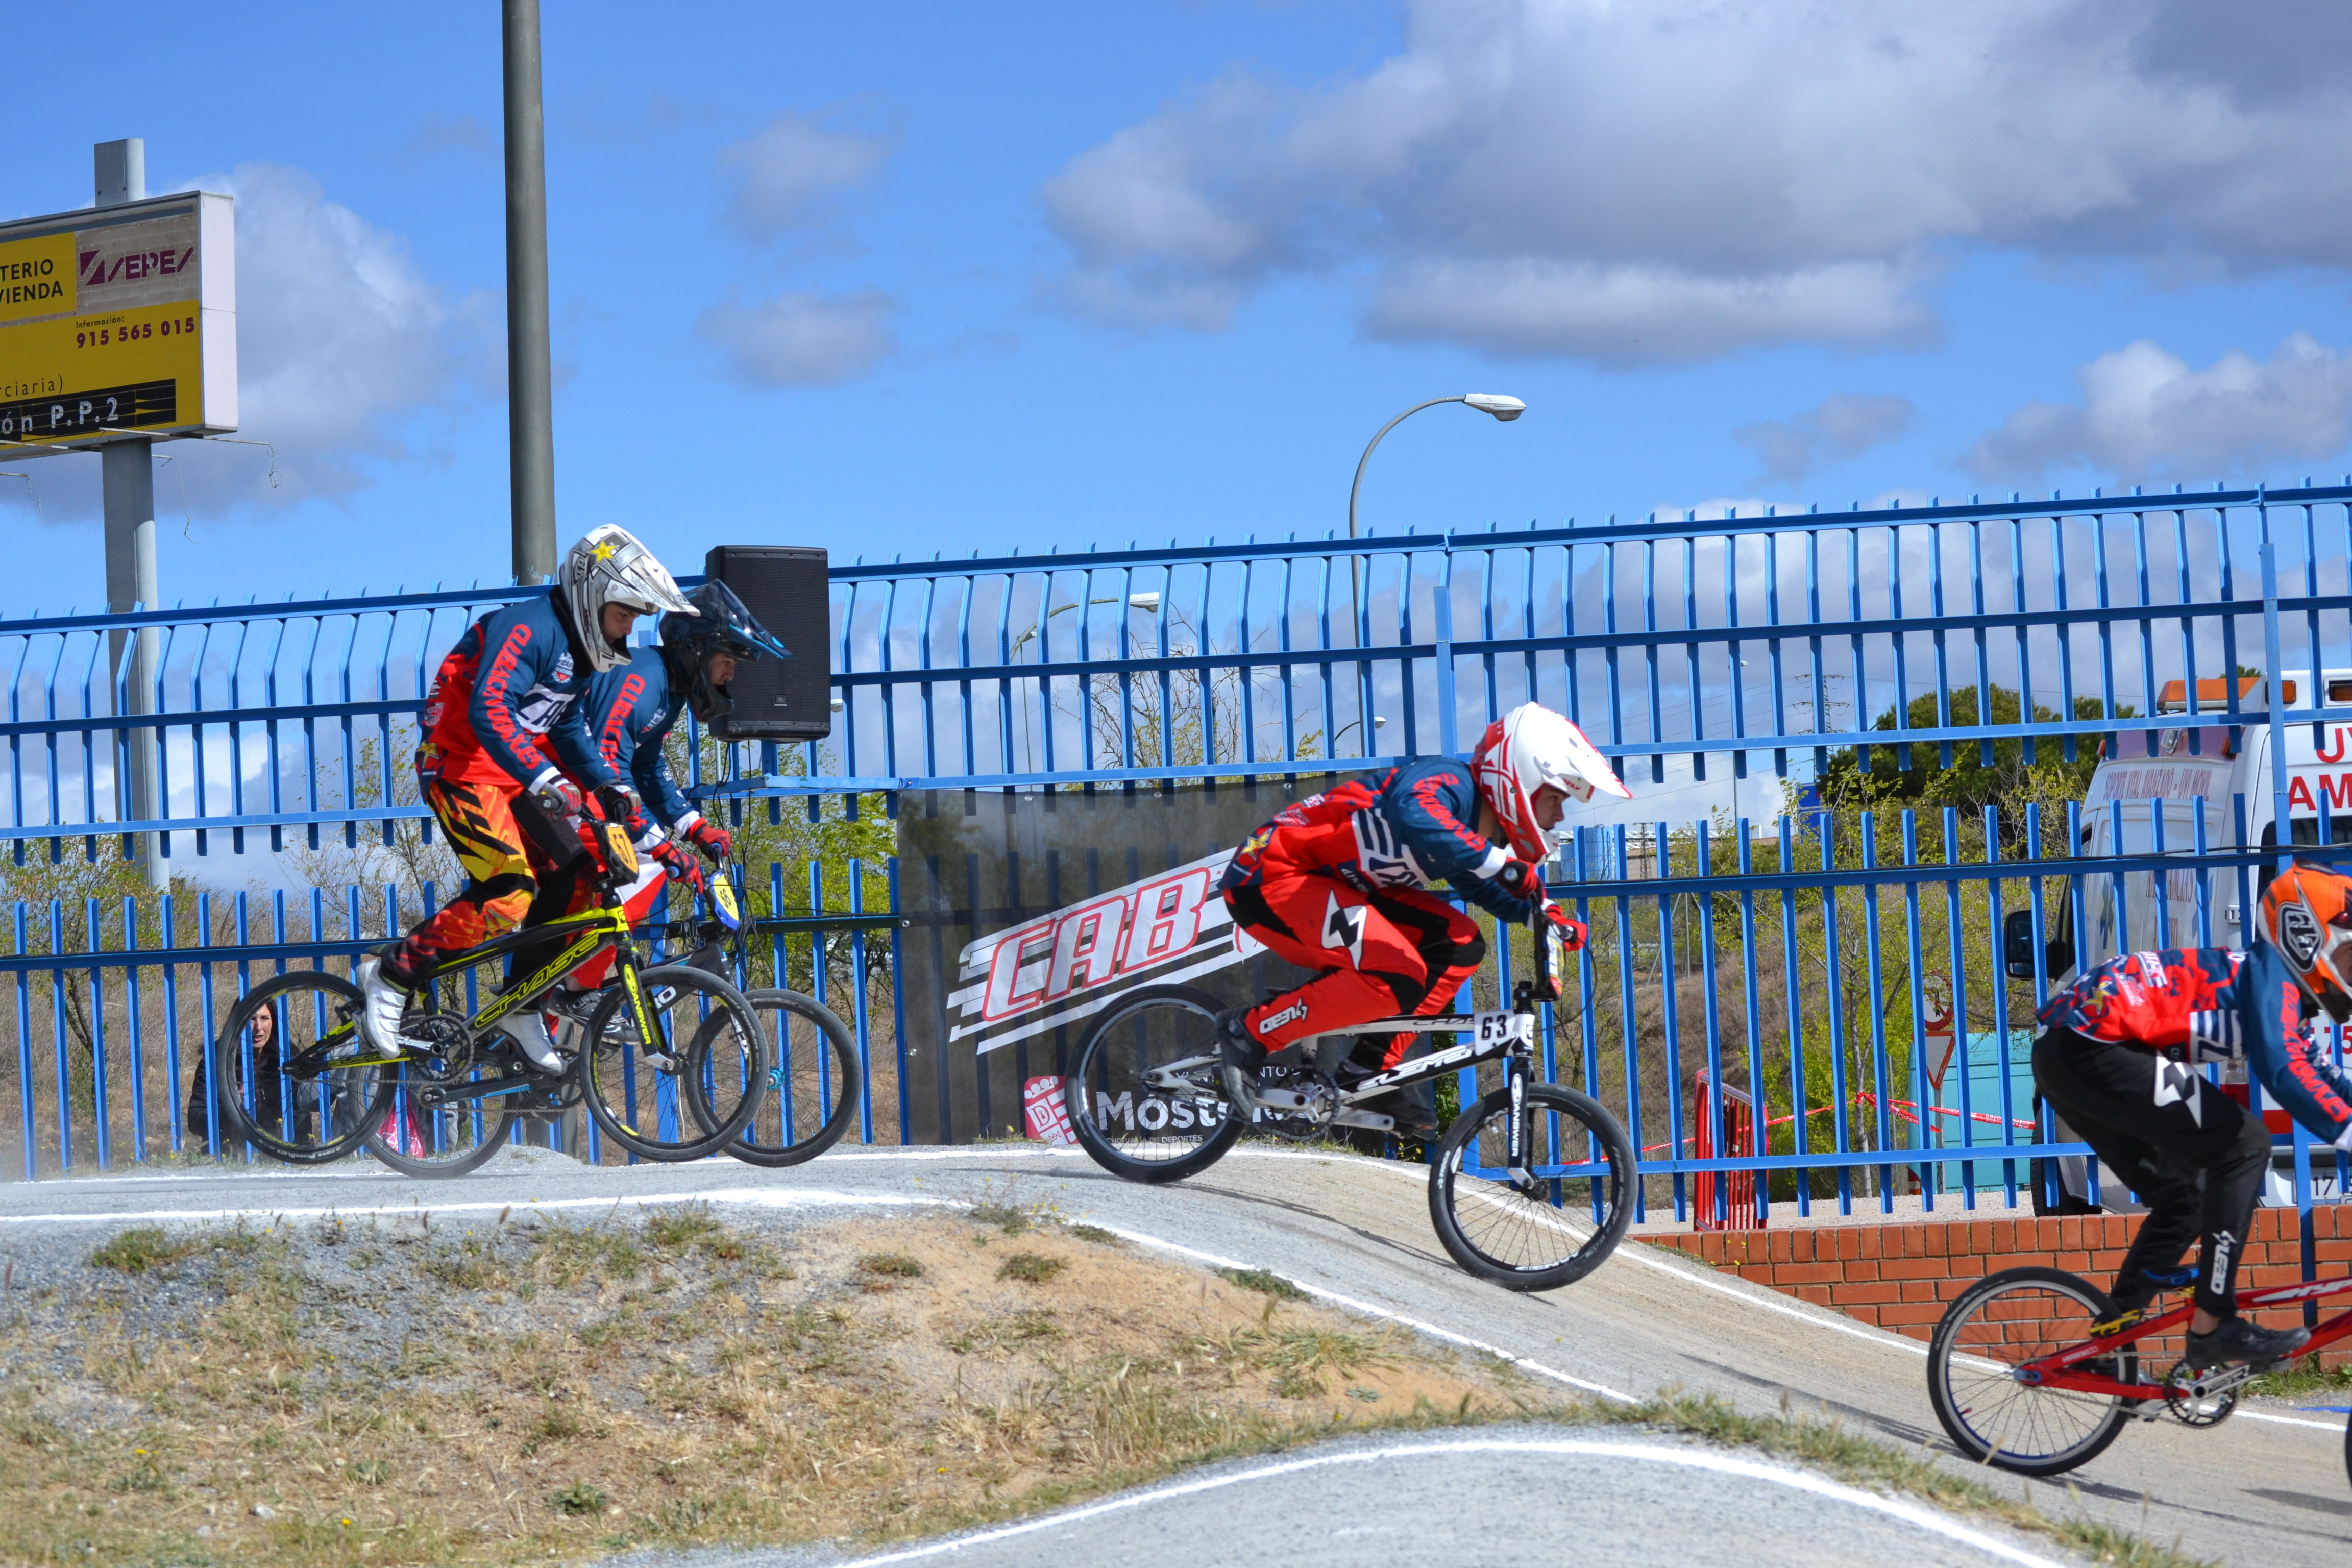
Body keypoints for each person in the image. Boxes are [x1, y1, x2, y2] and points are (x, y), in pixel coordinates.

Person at [353, 525, 695, 1069]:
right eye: (624, 615)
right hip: (461, 770)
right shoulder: (528, 627)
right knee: (509, 892)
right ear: (593, 597)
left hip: (512, 777)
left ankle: (523, 1002)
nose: (628, 631)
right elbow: (488, 707)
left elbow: (568, 731)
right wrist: (546, 780)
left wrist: (608, 785)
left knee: (582, 872)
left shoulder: (583, 656)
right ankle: (394, 973)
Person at [1215, 702, 1629, 1133]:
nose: (1559, 816)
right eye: (1555, 799)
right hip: (1273, 875)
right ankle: (1250, 1031)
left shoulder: (1473, 827)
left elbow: (1478, 884)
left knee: (1459, 943)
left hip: (1339, 886)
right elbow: (1411, 809)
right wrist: (1498, 864)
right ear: (1522, 779)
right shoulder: (1450, 782)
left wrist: (1537, 918)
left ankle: (1368, 1069)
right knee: (1398, 971)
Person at [2031, 861, 2352, 1368]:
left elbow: (2320, 1072)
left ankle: (2108, 1341)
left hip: (2068, 1050)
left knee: (2188, 1198)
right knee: (2246, 1144)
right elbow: (2282, 1068)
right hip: (2089, 1046)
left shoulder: (2275, 989)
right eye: (2351, 955)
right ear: (2306, 938)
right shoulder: (2274, 979)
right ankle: (2214, 1325)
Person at [518, 578, 794, 1022]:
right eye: (726, 662)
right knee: (644, 870)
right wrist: (656, 842)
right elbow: (609, 769)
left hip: (574, 803)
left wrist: (693, 827)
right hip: (554, 799)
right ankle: (574, 991)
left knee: (626, 878)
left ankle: (553, 1005)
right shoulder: (642, 682)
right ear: (697, 653)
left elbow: (648, 769)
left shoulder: (666, 690)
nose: (730, 676)